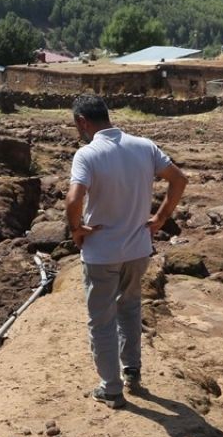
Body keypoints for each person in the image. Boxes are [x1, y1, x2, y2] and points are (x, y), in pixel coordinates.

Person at [66, 94, 188, 409]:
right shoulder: (144, 146)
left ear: (83, 122)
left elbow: (73, 199)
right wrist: (160, 218)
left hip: (101, 253)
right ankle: (132, 372)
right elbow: (179, 180)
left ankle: (111, 388)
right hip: (137, 249)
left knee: (102, 320)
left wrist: (76, 229)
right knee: (130, 309)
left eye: (77, 125)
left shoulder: (87, 154)